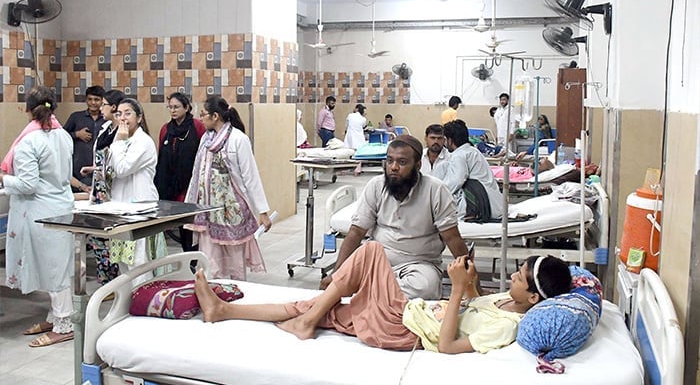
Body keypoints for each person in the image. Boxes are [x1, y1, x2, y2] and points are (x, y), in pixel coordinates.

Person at [194, 244, 572, 354]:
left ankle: (308, 322)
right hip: (405, 314)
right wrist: (470, 283)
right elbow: (476, 302)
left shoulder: (508, 326)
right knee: (313, 306)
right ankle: (223, 310)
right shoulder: (510, 301)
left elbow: (446, 345)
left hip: (403, 329)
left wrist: (455, 290)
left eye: (519, 277)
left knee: (372, 252)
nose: (512, 277)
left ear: (535, 298)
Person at [320, 134, 471, 300]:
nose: (393, 167)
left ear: (418, 165)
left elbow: (453, 239)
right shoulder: (376, 186)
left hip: (419, 264)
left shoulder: (435, 190)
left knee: (426, 289)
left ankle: (371, 292)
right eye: (390, 160)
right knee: (340, 281)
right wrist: (336, 274)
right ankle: (381, 292)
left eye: (402, 162)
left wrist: (473, 285)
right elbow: (356, 232)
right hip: (377, 260)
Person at [0, 86, 75, 347]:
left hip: (42, 212)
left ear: (28, 110)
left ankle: (64, 324)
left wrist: (5, 179)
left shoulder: (29, 141)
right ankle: (56, 317)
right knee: (57, 267)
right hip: (61, 206)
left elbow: (28, 184)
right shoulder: (63, 135)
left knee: (55, 272)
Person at [185, 95, 273, 280]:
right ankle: (214, 295)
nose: (200, 118)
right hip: (207, 211)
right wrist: (189, 206)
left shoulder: (238, 139)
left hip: (231, 211)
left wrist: (262, 211)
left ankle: (235, 295)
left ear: (215, 116)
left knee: (234, 263)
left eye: (203, 114)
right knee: (210, 260)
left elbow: (250, 176)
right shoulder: (206, 140)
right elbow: (196, 174)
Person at [108, 98, 166, 283]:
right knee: (123, 259)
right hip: (120, 207)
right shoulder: (122, 140)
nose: (122, 118)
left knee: (139, 261)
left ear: (139, 118)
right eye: (118, 114)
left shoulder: (143, 142)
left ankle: (143, 301)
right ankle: (128, 303)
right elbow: (112, 169)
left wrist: (118, 142)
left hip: (140, 207)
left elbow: (123, 168)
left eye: (128, 113)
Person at [79, 89, 127, 285]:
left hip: (114, 190)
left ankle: (119, 281)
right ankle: (105, 280)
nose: (101, 107)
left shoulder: (123, 132)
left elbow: (120, 163)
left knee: (116, 238)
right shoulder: (105, 128)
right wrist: (93, 169)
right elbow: (103, 159)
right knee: (98, 238)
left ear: (114, 107)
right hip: (99, 188)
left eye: (104, 104)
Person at [154, 92, 206, 254]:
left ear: (186, 107)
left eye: (176, 107)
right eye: (170, 107)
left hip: (190, 182)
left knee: (191, 221)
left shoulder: (197, 126)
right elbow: (160, 154)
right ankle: (187, 254)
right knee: (180, 222)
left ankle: (195, 255)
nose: (173, 111)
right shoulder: (165, 129)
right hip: (170, 183)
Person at [441, 120, 503, 221]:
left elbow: (456, 181)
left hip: (483, 203)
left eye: (444, 139)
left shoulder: (459, 155)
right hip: (495, 202)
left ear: (450, 140)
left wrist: (437, 194)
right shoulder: (473, 151)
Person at [63, 85, 106, 193]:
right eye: (90, 99)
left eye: (97, 100)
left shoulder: (106, 119)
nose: (93, 103)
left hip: (102, 171)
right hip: (79, 171)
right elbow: (62, 136)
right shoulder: (76, 117)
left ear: (102, 101)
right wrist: (76, 134)